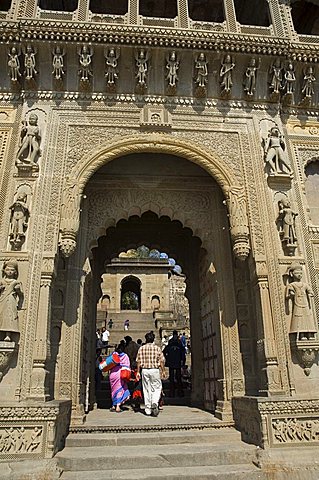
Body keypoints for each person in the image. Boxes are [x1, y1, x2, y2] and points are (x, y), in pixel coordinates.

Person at [136, 331, 166, 416]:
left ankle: (148, 409)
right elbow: (161, 361)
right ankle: (155, 402)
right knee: (157, 387)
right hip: (154, 370)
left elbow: (138, 361)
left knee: (146, 389)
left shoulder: (141, 348)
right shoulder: (157, 348)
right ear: (153, 339)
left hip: (145, 370)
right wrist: (163, 370)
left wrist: (138, 372)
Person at [0, 260, 24, 342]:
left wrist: (18, 291)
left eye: (12, 270)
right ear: (4, 271)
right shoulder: (1, 282)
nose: (9, 272)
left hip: (11, 301)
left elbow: (21, 295)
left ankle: (8, 335)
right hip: (2, 300)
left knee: (9, 318)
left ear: (15, 272)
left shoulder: (16, 282)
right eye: (7, 270)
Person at [109, 344, 131, 412]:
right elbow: (127, 366)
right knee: (120, 390)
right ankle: (118, 406)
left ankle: (113, 405)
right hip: (120, 374)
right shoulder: (125, 356)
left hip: (112, 374)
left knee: (113, 390)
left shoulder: (113, 355)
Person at [164, 330, 185, 397]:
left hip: (172, 362)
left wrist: (167, 358)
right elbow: (183, 353)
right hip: (177, 362)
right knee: (177, 378)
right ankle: (178, 392)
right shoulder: (179, 343)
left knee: (174, 378)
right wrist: (183, 361)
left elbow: (164, 351)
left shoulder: (171, 343)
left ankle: (173, 392)